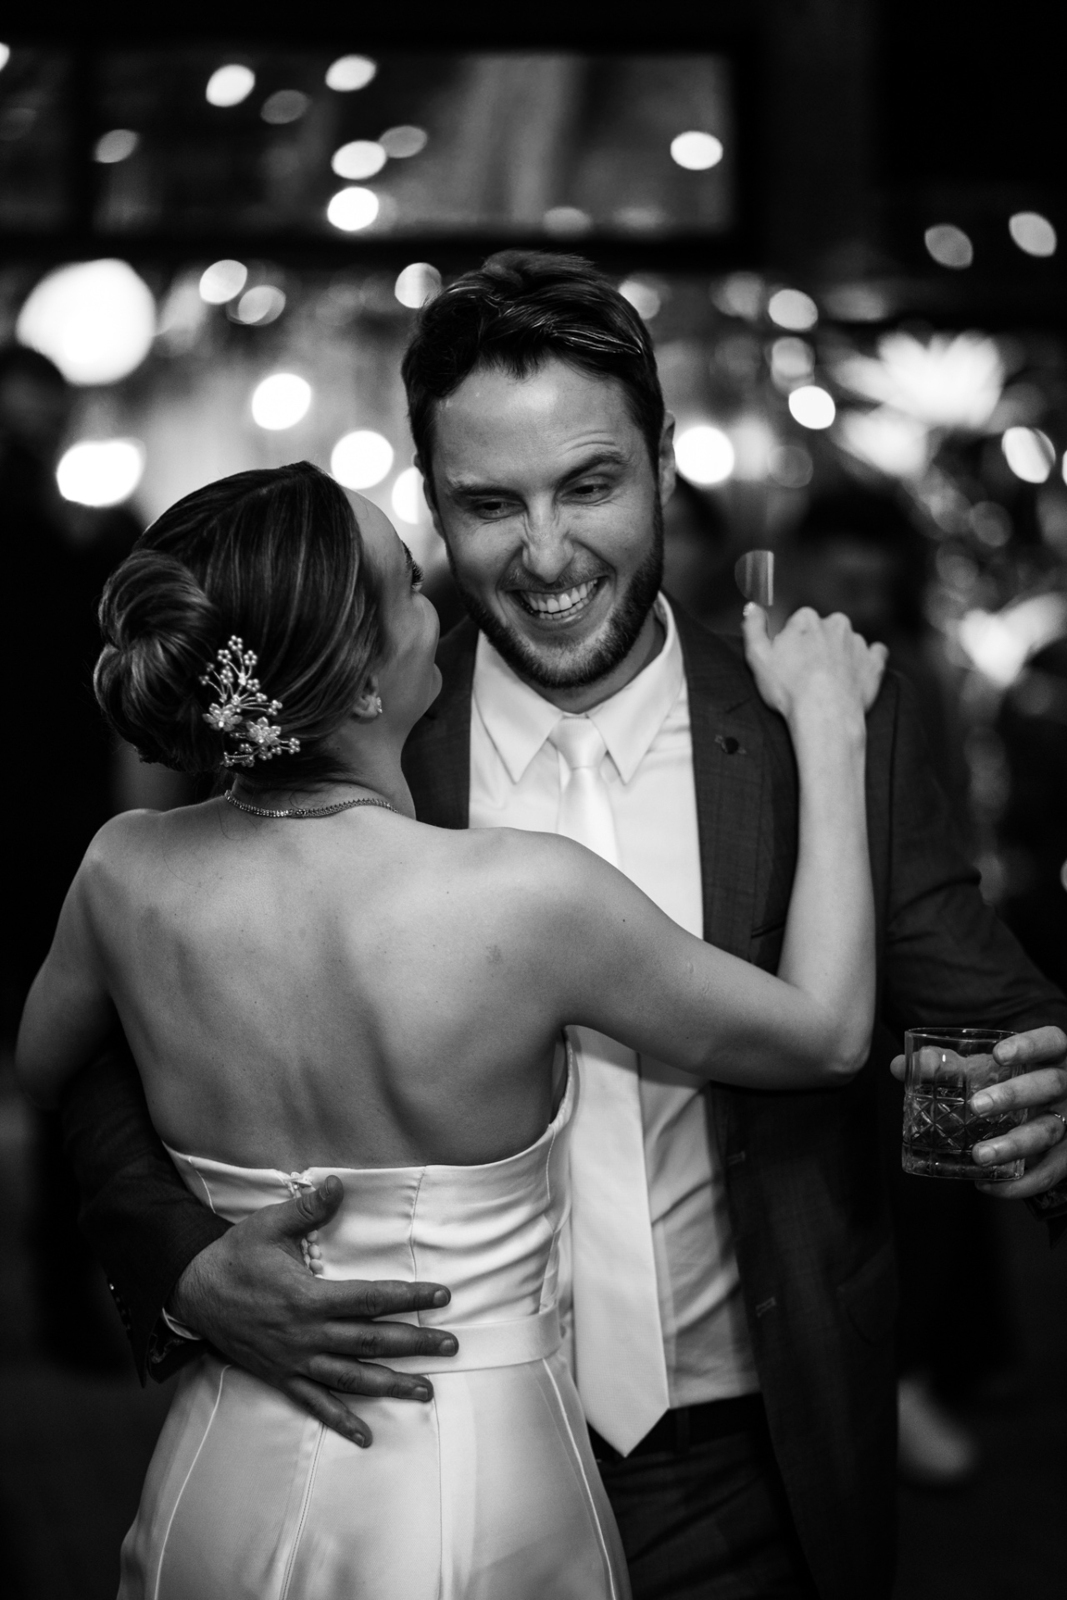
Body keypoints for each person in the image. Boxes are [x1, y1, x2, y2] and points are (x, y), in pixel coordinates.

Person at [57, 254, 1067, 1600]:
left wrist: (1033, 1104)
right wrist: (186, 1264)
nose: (543, 555)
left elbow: (979, 1017)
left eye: (588, 486)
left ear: (662, 462)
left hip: (740, 1466)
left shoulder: (814, 725)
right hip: (400, 1446)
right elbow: (109, 1048)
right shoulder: (343, 727)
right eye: (489, 504)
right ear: (431, 505)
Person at [18, 460, 885, 1599]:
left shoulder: (123, 868)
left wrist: (192, 1241)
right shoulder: (522, 900)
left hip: (221, 1467)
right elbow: (827, 1035)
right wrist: (830, 730)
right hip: (471, 1489)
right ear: (359, 682)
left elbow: (49, 1064)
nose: (438, 602)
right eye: (406, 585)